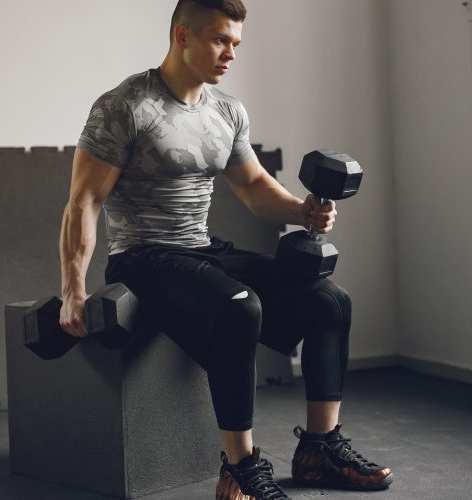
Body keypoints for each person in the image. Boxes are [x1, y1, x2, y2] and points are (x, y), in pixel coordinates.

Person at [58, 0, 393, 498]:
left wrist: (303, 211)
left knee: (330, 302)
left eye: (235, 43)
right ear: (182, 36)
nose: (230, 53)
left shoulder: (227, 111)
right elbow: (84, 200)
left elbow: (255, 186)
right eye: (220, 40)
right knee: (241, 307)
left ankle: (319, 447)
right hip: (144, 254)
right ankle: (240, 466)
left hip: (201, 248)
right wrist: (73, 287)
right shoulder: (125, 105)